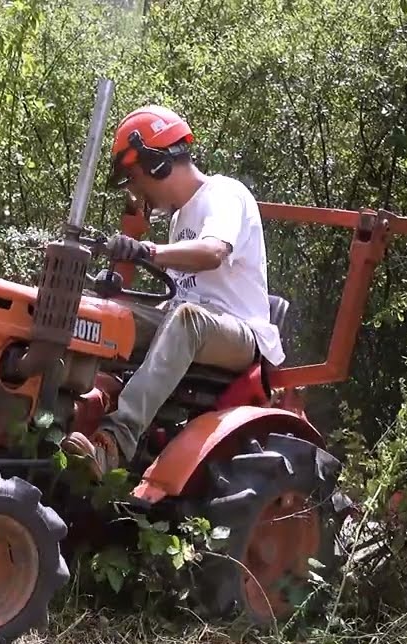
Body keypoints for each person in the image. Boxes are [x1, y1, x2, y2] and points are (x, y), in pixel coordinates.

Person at [61, 104, 285, 478]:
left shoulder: (224, 194)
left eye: (132, 177)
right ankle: (62, 415)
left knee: (186, 320)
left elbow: (213, 253)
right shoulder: (180, 216)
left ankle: (113, 442)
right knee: (101, 314)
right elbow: (183, 292)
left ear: (156, 163)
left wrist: (147, 251)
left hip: (238, 333)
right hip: (189, 321)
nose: (134, 190)